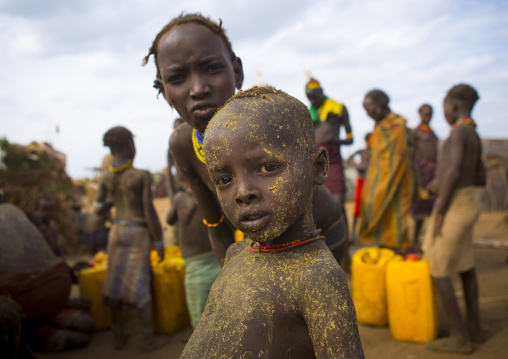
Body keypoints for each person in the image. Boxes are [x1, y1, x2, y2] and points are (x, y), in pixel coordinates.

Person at [143, 13, 348, 266]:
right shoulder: (183, 144)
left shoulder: (269, 119)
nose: (198, 89)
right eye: (177, 78)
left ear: (237, 72)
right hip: (265, 243)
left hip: (321, 232)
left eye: (212, 68)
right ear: (164, 92)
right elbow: (216, 226)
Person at [179, 86, 364, 358]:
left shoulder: (317, 278)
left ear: (317, 167)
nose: (242, 193)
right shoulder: (236, 253)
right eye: (224, 180)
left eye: (267, 167)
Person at [423, 84, 486, 354]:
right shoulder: (472, 132)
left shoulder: (457, 133)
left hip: (455, 204)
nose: (444, 111)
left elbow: (452, 173)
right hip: (469, 200)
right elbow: (479, 174)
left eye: (445, 105)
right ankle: (475, 329)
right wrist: (442, 181)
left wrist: (441, 212)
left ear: (455, 103)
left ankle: (460, 339)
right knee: (465, 263)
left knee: (436, 264)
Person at [95, 126, 166, 352]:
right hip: (138, 232)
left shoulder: (106, 177)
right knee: (140, 283)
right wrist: (160, 241)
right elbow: (148, 211)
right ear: (129, 146)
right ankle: (148, 340)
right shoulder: (141, 175)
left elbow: (98, 208)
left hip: (116, 231)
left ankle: (118, 336)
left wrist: (109, 204)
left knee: (114, 283)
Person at [359, 89, 414, 250]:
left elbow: (397, 159)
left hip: (397, 182)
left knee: (395, 223)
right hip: (378, 182)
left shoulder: (396, 125)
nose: (367, 114)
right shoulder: (380, 126)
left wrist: (382, 185)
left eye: (368, 109)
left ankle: (397, 259)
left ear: (377, 107)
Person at [167, 171, 221, 329]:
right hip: (216, 257)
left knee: (199, 314)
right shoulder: (212, 196)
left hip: (195, 265)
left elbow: (169, 220)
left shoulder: (179, 199)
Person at [306, 77, 353, 204]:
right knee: (318, 204)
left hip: (333, 160)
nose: (312, 101)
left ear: (321, 91)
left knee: (338, 203)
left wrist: (335, 140)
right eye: (309, 98)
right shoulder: (309, 114)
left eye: (314, 97)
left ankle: (342, 224)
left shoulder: (338, 109)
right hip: (315, 161)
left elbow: (350, 139)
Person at [411, 104, 438, 247]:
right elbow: (412, 154)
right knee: (419, 209)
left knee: (431, 207)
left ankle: (427, 241)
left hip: (434, 173)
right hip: (422, 172)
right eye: (426, 113)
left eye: (431, 113)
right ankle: (415, 241)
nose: (428, 116)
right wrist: (417, 177)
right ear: (419, 113)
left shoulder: (432, 132)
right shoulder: (416, 132)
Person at [348, 133, 371, 243]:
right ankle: (353, 234)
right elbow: (349, 158)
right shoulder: (362, 151)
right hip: (361, 181)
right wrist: (357, 167)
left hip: (370, 182)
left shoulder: (373, 153)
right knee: (357, 207)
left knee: (368, 208)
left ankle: (365, 236)